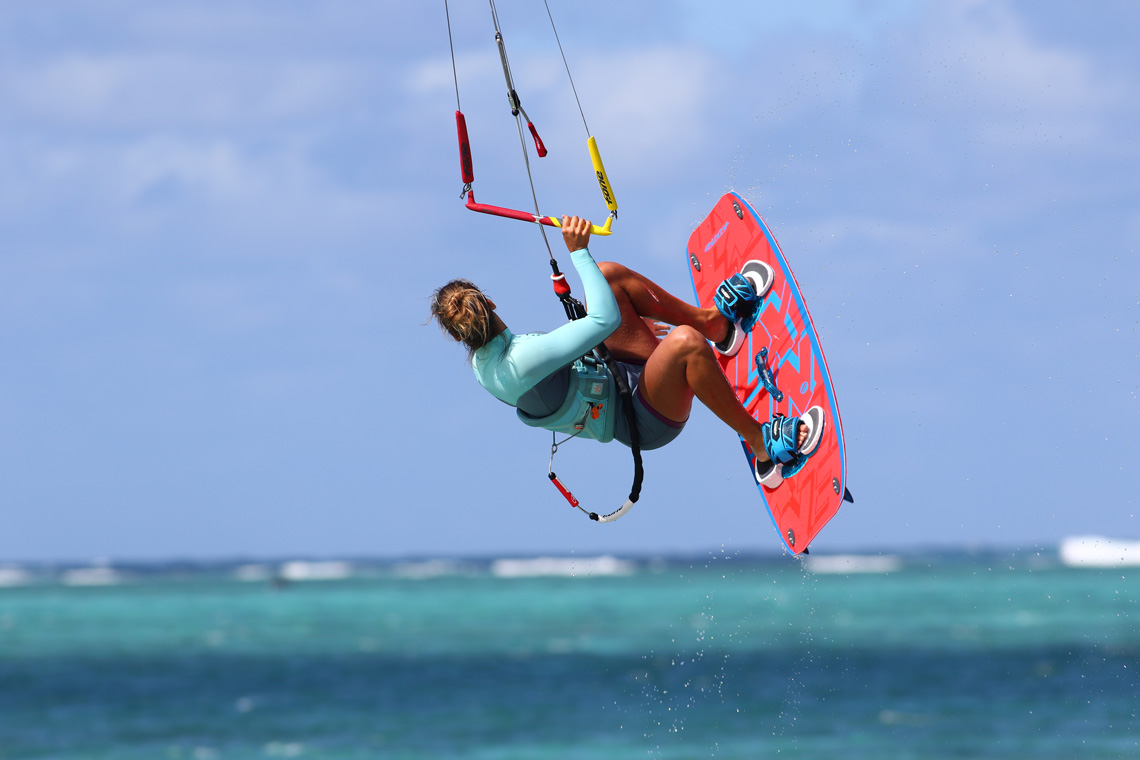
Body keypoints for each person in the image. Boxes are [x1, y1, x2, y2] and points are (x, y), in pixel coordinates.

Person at [430, 216, 823, 487]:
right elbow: (602, 323)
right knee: (684, 343)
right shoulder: (518, 361)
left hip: (616, 376)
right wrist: (578, 251)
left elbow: (581, 344)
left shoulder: (488, 362)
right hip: (643, 418)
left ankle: (718, 326)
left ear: (460, 337)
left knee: (608, 276)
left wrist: (630, 326)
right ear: (491, 303)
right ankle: (763, 448)